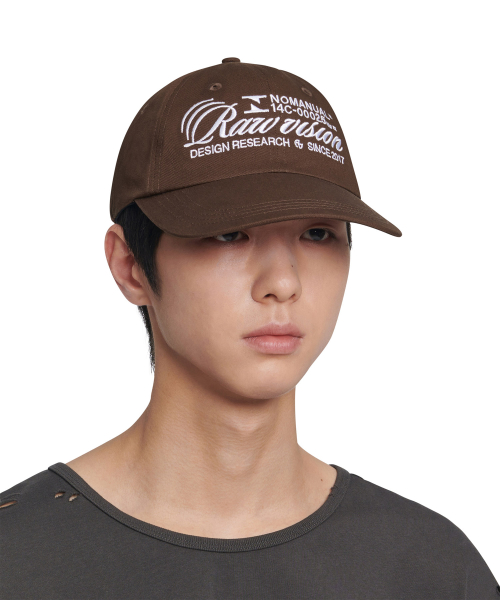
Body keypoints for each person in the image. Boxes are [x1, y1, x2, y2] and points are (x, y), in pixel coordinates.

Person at [1, 57, 498, 600]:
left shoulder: (429, 569)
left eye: (317, 234)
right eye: (228, 234)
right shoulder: (17, 558)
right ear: (130, 267)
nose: (283, 282)